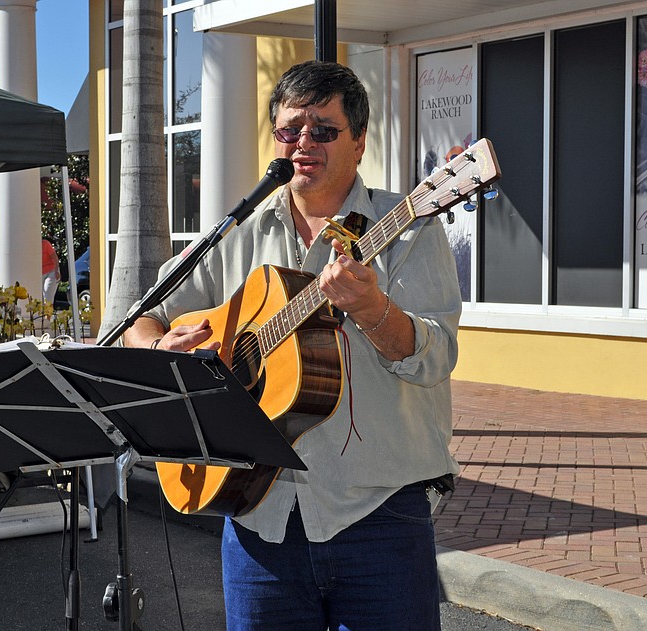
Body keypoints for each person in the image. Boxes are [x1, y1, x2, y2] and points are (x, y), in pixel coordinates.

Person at [122, 60, 461, 630]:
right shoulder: (236, 234)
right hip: (258, 516)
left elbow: (435, 357)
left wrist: (372, 310)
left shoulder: (410, 230)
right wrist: (161, 349)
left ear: (358, 141)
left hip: (379, 515)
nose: (303, 142)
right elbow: (142, 317)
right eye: (289, 129)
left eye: (323, 129)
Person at [41, 237, 60, 305]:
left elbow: (55, 257)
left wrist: (56, 270)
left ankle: (48, 314)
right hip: (40, 273)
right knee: (40, 298)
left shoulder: (45, 244)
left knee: (48, 295)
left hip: (52, 271)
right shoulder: (31, 246)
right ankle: (42, 315)